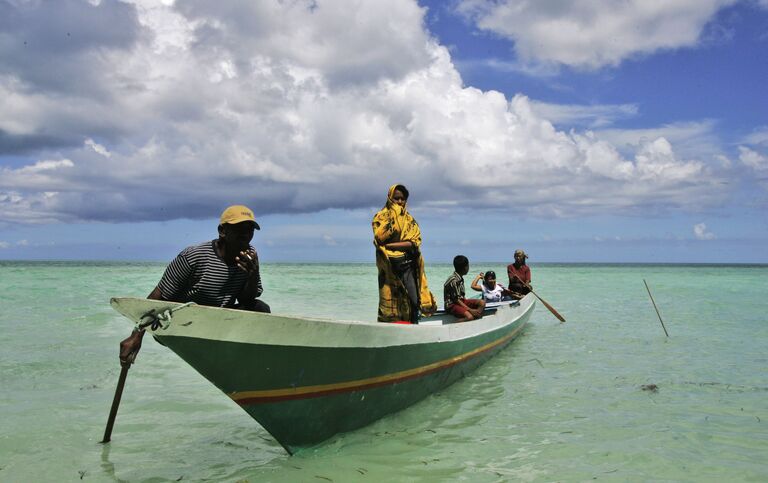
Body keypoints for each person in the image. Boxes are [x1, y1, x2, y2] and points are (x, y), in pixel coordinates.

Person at [119, 204, 270, 366]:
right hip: (180, 322)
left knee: (260, 308)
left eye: (250, 229)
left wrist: (253, 274)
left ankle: (248, 363)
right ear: (223, 231)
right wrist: (136, 336)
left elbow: (247, 301)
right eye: (240, 228)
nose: (246, 234)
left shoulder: (249, 257)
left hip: (216, 321)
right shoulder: (194, 256)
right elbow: (158, 296)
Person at [372, 184, 436, 323]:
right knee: (390, 304)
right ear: (390, 198)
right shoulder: (380, 217)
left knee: (413, 300)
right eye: (396, 199)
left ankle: (413, 327)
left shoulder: (410, 221)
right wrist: (395, 217)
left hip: (408, 265)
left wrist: (389, 245)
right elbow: (379, 238)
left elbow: (414, 243)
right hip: (389, 266)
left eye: (403, 199)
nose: (400, 202)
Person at [444, 255, 485, 322]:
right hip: (451, 305)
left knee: (482, 302)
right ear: (465, 268)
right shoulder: (454, 280)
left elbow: (461, 297)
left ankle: (476, 318)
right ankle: (452, 326)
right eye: (468, 266)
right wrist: (470, 310)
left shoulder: (460, 278)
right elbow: (456, 300)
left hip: (461, 301)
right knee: (469, 317)